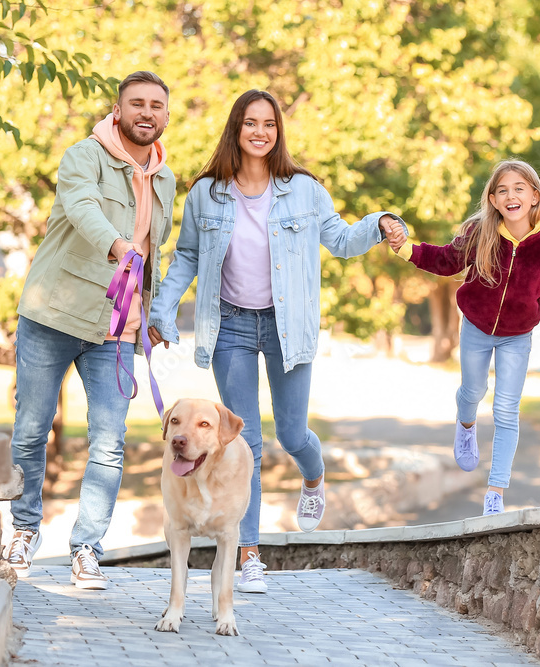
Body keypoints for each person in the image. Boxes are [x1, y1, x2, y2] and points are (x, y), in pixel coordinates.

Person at [147, 89, 407, 594]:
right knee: (244, 441)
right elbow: (185, 259)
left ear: (277, 131)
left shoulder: (304, 190)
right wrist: (161, 310)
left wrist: (380, 222)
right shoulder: (207, 193)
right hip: (232, 327)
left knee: (293, 436)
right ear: (236, 129)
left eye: (268, 123)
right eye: (250, 123)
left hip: (289, 327)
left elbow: (339, 239)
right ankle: (249, 555)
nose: (259, 132)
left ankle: (313, 477)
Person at [3, 71, 176, 589]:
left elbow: (154, 250)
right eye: (137, 104)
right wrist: (121, 248)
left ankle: (86, 548)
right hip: (53, 313)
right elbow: (81, 210)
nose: (147, 113)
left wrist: (154, 314)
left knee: (108, 442)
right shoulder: (83, 155)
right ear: (118, 111)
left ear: (166, 116)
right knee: (31, 431)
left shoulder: (165, 178)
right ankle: (23, 530)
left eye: (157, 106)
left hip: (116, 329)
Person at [393, 159, 540, 516]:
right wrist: (406, 248)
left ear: (535, 196)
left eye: (519, 188)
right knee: (473, 392)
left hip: (517, 337)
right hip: (475, 327)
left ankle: (495, 492)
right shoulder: (480, 232)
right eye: (502, 190)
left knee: (507, 410)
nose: (511, 196)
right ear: (492, 199)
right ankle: (466, 423)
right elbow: (446, 260)